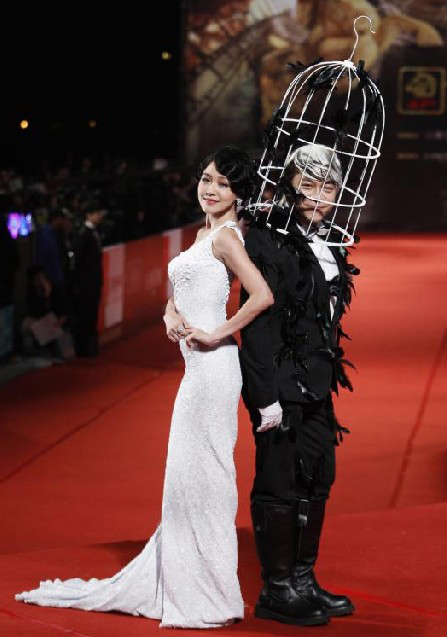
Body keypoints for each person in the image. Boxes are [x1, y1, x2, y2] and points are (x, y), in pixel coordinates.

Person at [15, 146, 273, 628]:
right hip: (195, 372)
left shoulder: (228, 239)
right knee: (184, 479)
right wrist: (170, 313)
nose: (208, 188)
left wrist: (218, 332)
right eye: (206, 178)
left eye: (221, 183)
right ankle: (183, 576)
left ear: (239, 192)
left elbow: (262, 294)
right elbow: (179, 293)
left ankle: (210, 591)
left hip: (215, 370)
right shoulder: (203, 234)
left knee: (208, 478)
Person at [240, 143, 359, 626]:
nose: (317, 195)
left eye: (327, 185)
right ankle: (277, 588)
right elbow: (257, 324)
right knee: (278, 481)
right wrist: (263, 396)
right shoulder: (267, 240)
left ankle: (303, 579)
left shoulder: (333, 241)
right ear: (289, 184)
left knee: (318, 478)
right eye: (307, 184)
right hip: (279, 385)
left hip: (318, 383)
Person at [73, 200, 105, 357]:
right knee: (86, 315)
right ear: (89, 215)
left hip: (94, 282)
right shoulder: (84, 234)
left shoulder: (94, 232)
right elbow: (78, 261)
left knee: (92, 314)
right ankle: (83, 349)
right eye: (97, 213)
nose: (100, 216)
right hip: (86, 284)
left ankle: (89, 348)